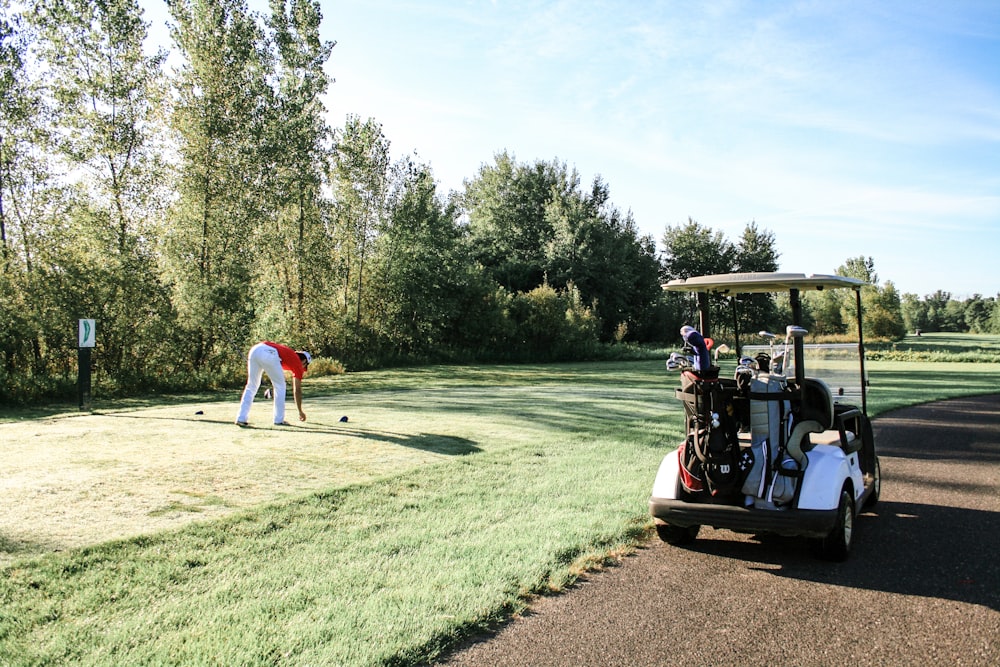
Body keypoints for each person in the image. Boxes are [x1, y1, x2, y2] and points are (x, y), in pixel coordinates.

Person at [236, 341, 312, 426]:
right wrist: (300, 411)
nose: (303, 368)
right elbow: (297, 390)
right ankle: (279, 420)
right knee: (280, 386)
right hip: (269, 352)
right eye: (305, 366)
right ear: (304, 361)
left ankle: (241, 418)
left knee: (251, 386)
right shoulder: (297, 362)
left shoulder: (289, 355)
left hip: (255, 349)